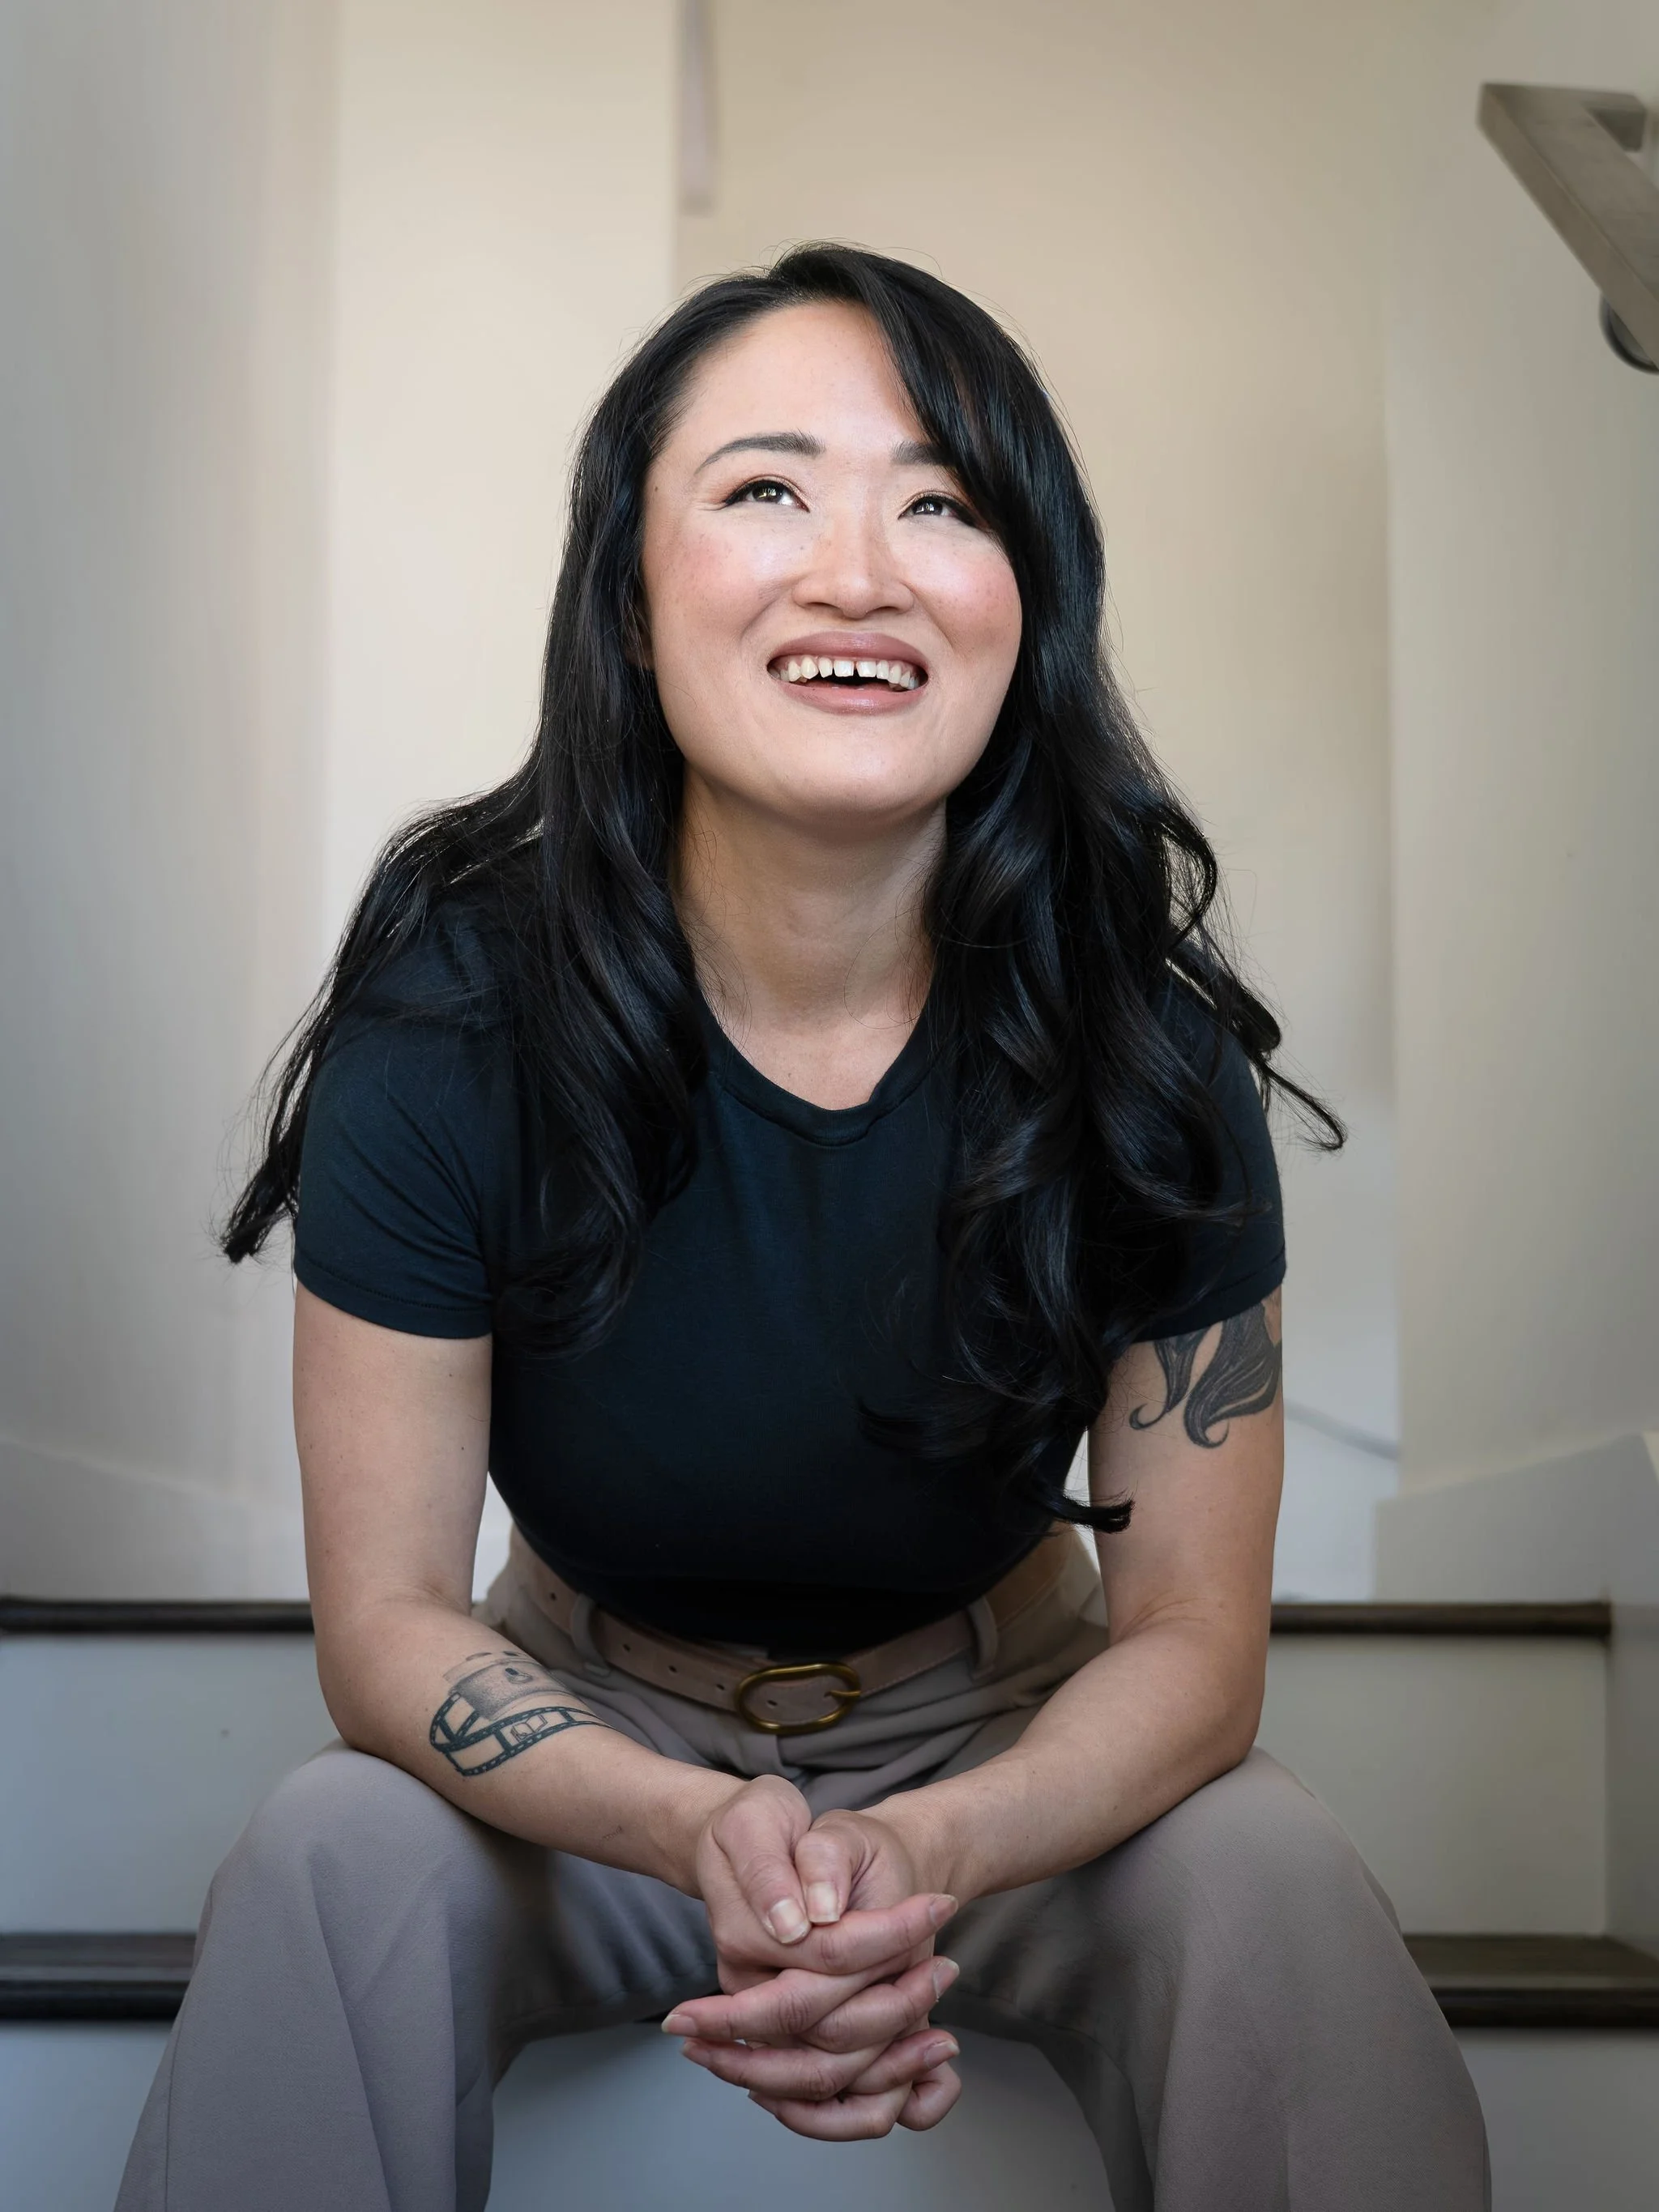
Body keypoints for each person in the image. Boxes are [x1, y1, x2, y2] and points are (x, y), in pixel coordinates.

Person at [117, 244, 1486, 2211]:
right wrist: (696, 1830)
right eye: (766, 489)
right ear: (630, 591)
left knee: (1270, 1872)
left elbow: (1192, 1641)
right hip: (588, 1742)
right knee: (331, 1857)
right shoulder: (449, 1026)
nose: (858, 572)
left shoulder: (1141, 1057)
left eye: (941, 503)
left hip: (1005, 1727)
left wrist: (933, 1848)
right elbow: (390, 1624)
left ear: (1029, 602)